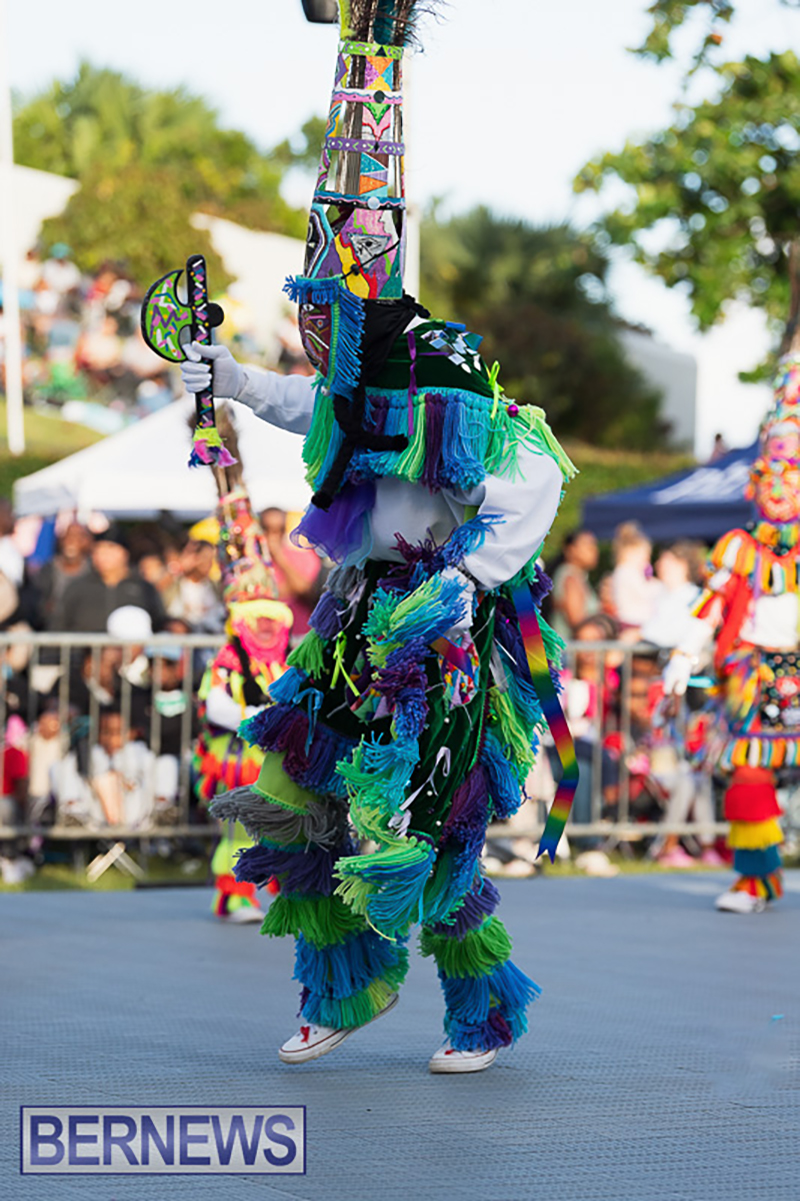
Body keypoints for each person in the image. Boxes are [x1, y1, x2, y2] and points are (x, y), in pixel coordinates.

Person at [174, 0, 576, 1075]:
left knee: (429, 830)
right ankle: (342, 985)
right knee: (311, 812)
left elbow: (529, 484)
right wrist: (221, 379)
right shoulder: (353, 388)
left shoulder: (454, 392)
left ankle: (477, 1012)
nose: (322, 334)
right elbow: (294, 400)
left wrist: (457, 577)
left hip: (435, 638)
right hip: (347, 621)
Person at [664, 355, 800, 912]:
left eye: (789, 476)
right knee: (748, 774)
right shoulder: (738, 547)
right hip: (754, 670)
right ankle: (756, 878)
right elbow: (708, 605)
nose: (778, 487)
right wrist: (680, 658)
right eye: (769, 475)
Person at [195, 466, 293, 921]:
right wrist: (252, 716)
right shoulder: (231, 656)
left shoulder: (283, 654)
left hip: (272, 753)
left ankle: (278, 888)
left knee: (282, 824)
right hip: (237, 749)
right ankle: (235, 894)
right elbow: (215, 700)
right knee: (238, 828)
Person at [55, 527, 166, 633]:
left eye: (110, 548)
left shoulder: (144, 588)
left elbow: (159, 623)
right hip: (83, 651)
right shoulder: (77, 587)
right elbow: (58, 624)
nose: (103, 555)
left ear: (124, 553)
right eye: (98, 550)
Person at [36, 522, 94, 630]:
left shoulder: (94, 571)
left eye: (79, 536)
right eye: (68, 536)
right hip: (50, 629)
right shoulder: (48, 569)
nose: (72, 541)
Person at [609, 521, 659, 638]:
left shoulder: (628, 572)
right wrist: (660, 586)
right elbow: (645, 593)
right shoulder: (626, 572)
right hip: (632, 622)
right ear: (630, 552)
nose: (646, 560)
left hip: (636, 621)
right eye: (644, 555)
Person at [549, 529, 599, 642]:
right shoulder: (570, 577)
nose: (594, 550)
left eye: (594, 545)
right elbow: (576, 620)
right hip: (569, 652)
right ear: (570, 550)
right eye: (587, 545)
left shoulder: (578, 576)